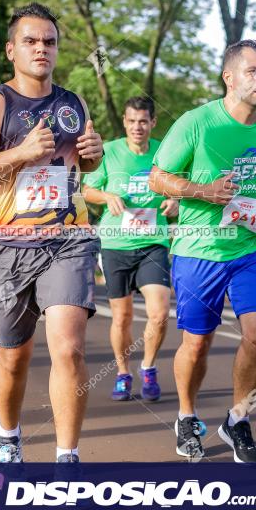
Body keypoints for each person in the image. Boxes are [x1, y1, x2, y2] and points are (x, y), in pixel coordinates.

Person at [0, 3, 103, 463]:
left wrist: (94, 154)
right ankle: (8, 434)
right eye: (32, 41)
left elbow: (84, 163)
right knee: (13, 358)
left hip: (67, 241)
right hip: (5, 244)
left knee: (70, 349)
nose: (42, 49)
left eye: (50, 42)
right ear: (11, 49)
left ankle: (67, 458)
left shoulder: (72, 102)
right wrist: (18, 153)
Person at [149, 39, 256, 463]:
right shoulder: (197, 123)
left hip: (253, 245)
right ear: (228, 78)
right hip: (200, 249)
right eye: (252, 71)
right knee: (197, 343)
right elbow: (157, 178)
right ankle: (186, 415)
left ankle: (238, 418)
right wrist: (202, 192)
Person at [82, 96, 178, 402]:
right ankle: (123, 372)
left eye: (143, 121)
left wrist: (176, 200)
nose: (137, 127)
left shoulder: (165, 151)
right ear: (125, 122)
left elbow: (180, 185)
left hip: (153, 242)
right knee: (121, 318)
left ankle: (148, 367)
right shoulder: (109, 151)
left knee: (160, 313)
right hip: (115, 244)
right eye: (131, 121)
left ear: (152, 123)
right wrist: (106, 196)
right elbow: (86, 189)